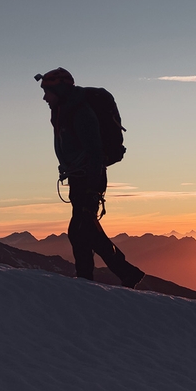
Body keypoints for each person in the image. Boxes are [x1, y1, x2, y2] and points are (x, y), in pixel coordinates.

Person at [35, 67, 144, 288]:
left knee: (83, 229)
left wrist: (93, 189)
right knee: (80, 231)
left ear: (60, 90)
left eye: (48, 91)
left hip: (88, 179)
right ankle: (88, 278)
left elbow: (94, 151)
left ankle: (122, 273)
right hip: (80, 177)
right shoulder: (66, 110)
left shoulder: (79, 112)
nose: (45, 97)